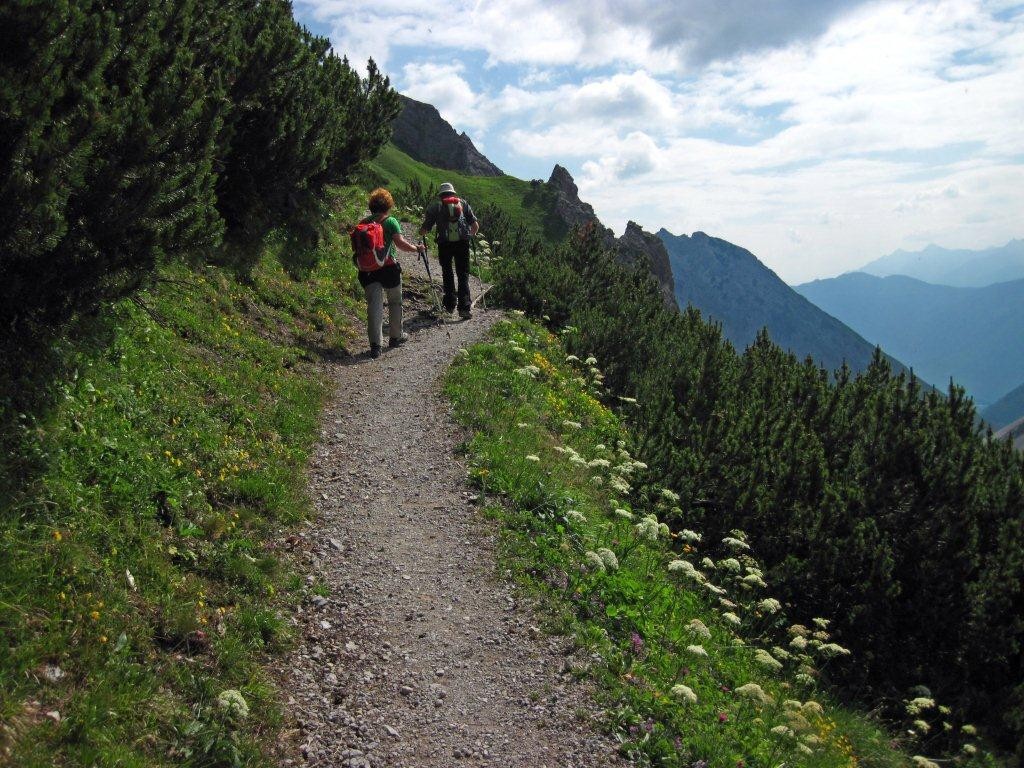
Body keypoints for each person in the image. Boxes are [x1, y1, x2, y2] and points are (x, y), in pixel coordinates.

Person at [355, 188, 424, 358]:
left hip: (368, 270)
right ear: (388, 205)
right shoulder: (390, 221)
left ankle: (375, 346)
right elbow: (400, 244)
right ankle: (395, 336)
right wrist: (417, 248)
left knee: (374, 306)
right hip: (388, 268)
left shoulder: (363, 223)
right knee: (394, 302)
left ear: (371, 206)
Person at [419, 182, 479, 319]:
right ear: (453, 193)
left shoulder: (436, 207)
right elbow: (475, 225)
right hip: (462, 244)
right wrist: (471, 235)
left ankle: (449, 305)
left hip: (444, 244)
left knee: (447, 273)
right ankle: (464, 307)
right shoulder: (463, 204)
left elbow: (425, 228)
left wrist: (421, 232)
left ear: (441, 195)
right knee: (463, 275)